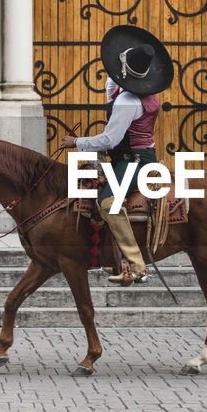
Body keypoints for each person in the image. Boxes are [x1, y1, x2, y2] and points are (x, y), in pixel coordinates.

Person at [60, 25, 174, 286]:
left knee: (107, 203)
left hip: (134, 160)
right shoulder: (147, 91)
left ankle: (137, 266)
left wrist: (76, 141)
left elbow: (110, 139)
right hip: (133, 154)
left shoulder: (128, 102)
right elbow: (112, 83)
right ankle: (107, 256)